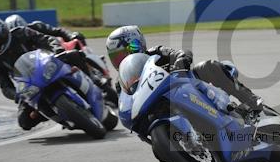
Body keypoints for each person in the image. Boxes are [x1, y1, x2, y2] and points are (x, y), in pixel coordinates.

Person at [105, 25, 263, 111]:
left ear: (138, 45)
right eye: (116, 57)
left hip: (187, 87)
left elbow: (179, 53)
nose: (123, 59)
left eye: (126, 52)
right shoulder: (122, 83)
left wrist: (181, 60)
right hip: (163, 106)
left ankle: (250, 99)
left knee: (208, 66)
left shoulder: (156, 52)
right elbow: (125, 106)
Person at [0, 18, 65, 130]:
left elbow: (46, 39)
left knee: (74, 56)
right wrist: (17, 95)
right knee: (24, 122)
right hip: (28, 85)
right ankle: (51, 113)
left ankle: (95, 78)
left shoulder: (21, 33)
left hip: (47, 64)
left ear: (4, 34)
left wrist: (57, 49)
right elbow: (5, 87)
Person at [5, 14, 86, 45]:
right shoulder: (13, 45)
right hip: (43, 63)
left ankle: (90, 63)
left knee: (77, 36)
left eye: (20, 31)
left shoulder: (37, 26)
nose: (19, 34)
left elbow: (58, 31)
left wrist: (70, 36)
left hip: (58, 48)